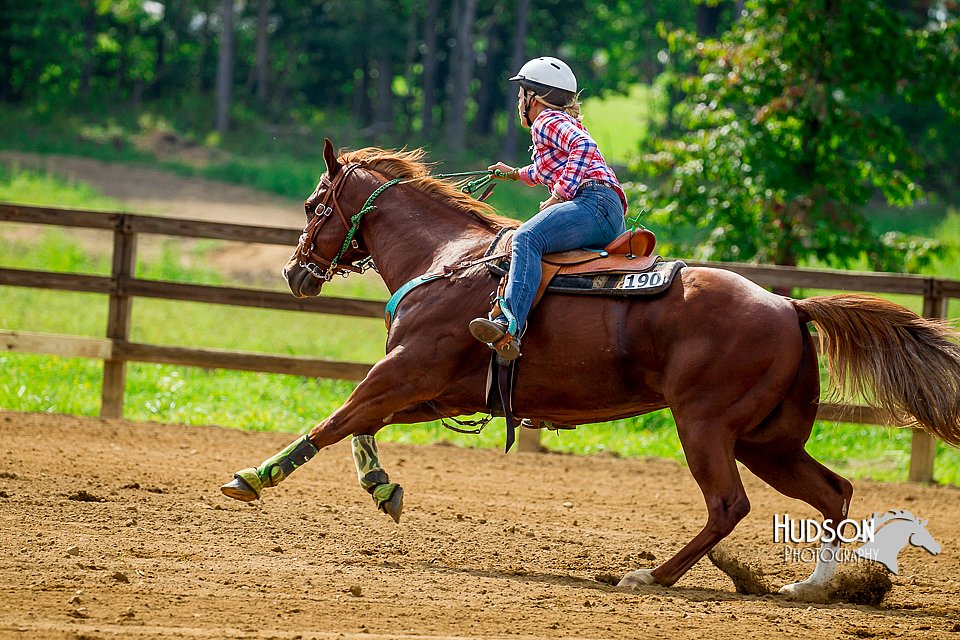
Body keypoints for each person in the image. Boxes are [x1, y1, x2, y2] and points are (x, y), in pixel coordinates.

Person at [469, 56, 628, 361]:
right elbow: (549, 168)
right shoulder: (561, 123)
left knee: (525, 238)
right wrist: (515, 173)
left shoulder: (546, 121)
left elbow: (584, 149)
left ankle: (508, 324)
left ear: (535, 98)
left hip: (592, 204)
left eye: (521, 94)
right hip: (608, 214)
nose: (519, 102)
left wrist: (559, 195)